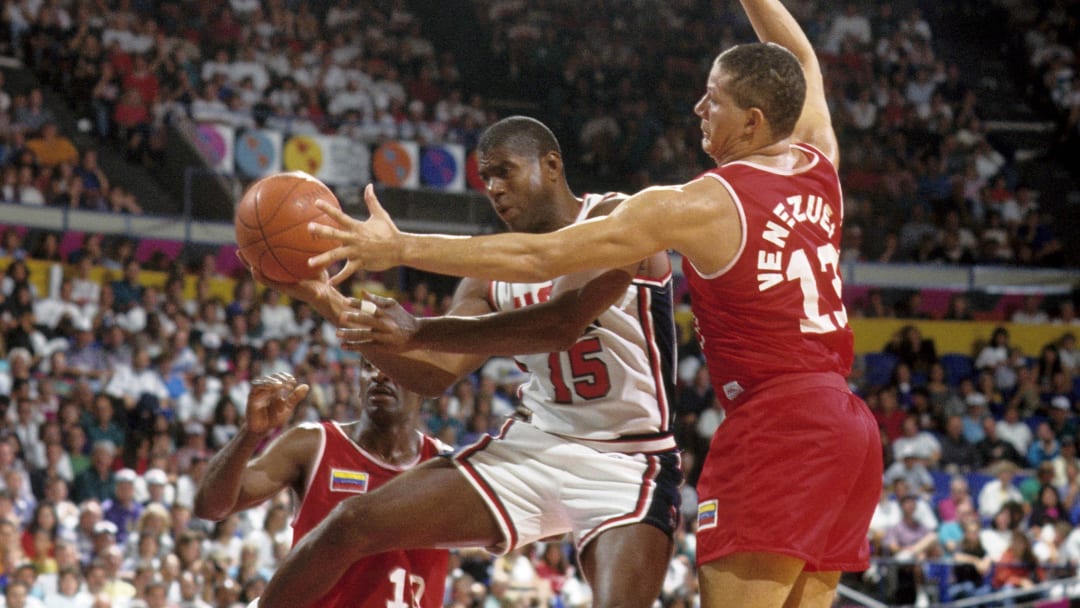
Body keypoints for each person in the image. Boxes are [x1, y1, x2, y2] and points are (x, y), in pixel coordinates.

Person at [306, 0, 881, 605]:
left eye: (714, 98)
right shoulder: (819, 161)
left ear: (753, 121)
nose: (698, 108)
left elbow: (539, 258)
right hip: (847, 427)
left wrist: (399, 246)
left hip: (777, 425)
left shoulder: (701, 203)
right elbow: (805, 63)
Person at [252, 115, 681, 608]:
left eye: (505, 172)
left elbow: (561, 324)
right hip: (538, 445)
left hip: (630, 459)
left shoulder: (618, 217)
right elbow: (431, 374)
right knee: (350, 523)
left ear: (552, 164)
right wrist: (323, 297)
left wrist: (420, 328)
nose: (494, 189)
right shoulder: (486, 278)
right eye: (486, 178)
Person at [193, 368, 451, 607]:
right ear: (357, 385)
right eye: (369, 364)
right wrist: (250, 434)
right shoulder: (313, 444)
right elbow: (210, 506)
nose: (379, 375)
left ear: (423, 386)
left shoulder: (449, 467)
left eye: (394, 367)